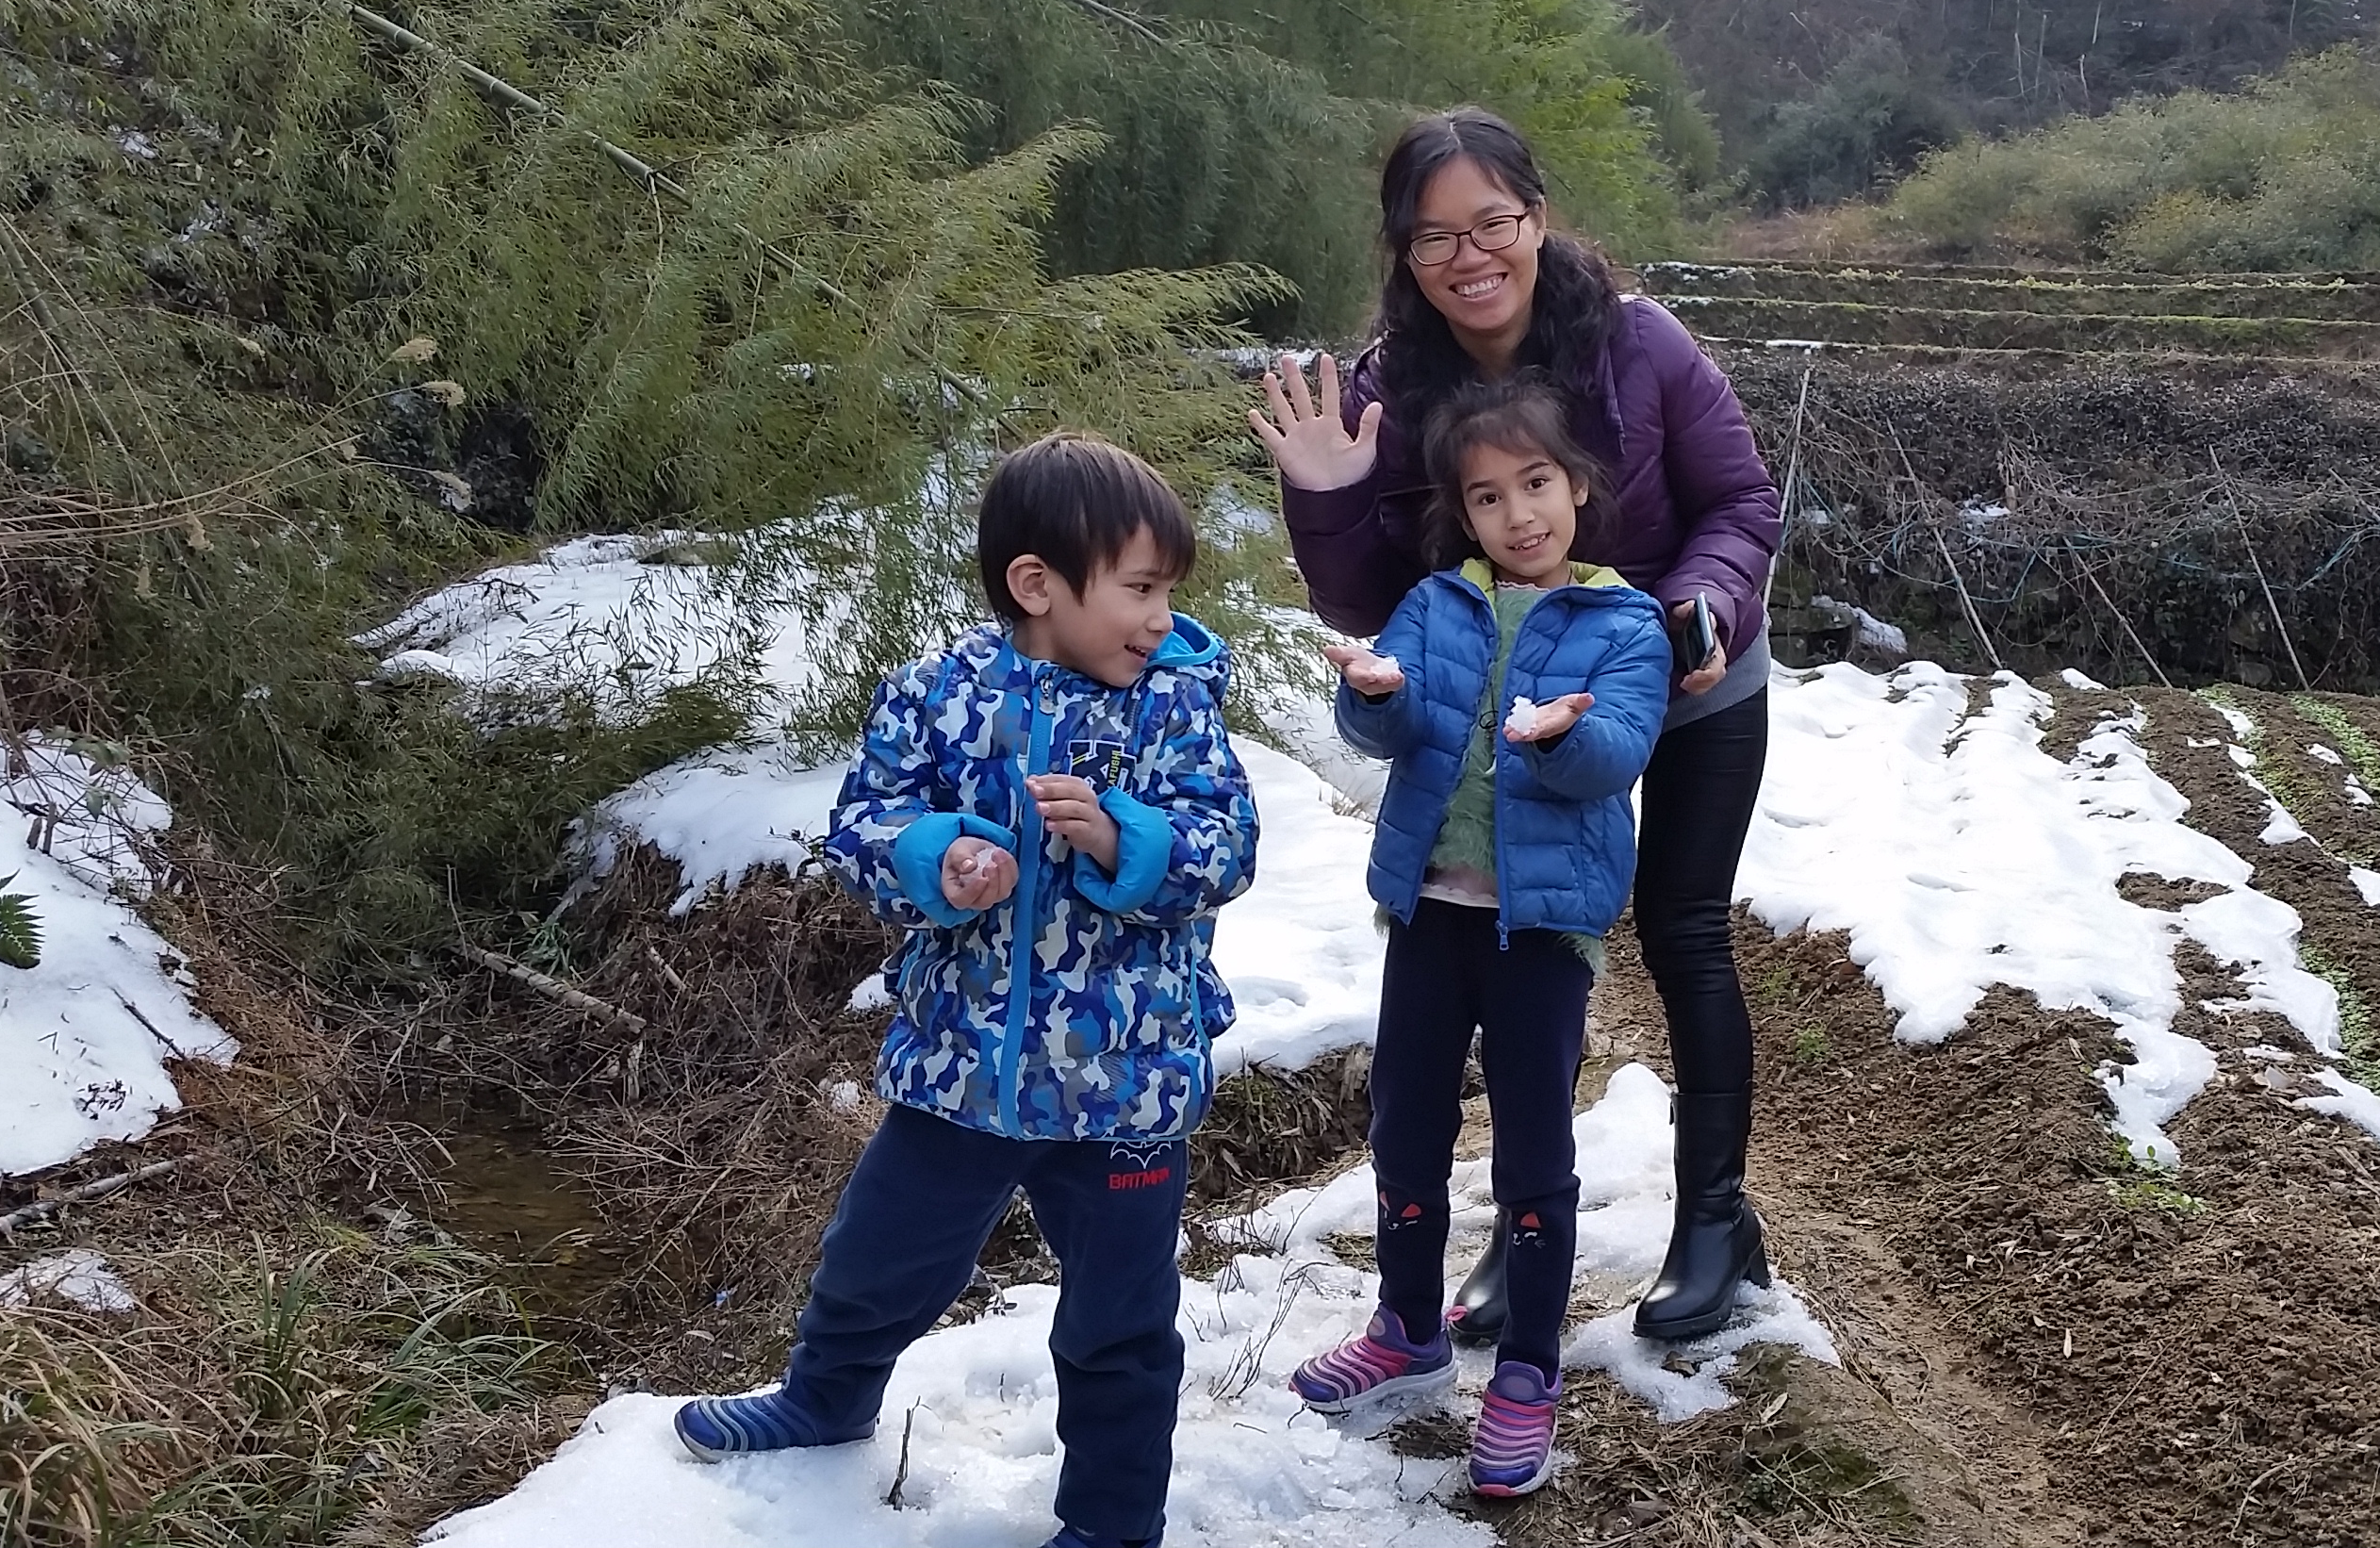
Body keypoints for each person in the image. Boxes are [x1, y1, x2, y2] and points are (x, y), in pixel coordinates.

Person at [1248, 107, 1783, 1346]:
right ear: (1403, 253)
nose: (1469, 253)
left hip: (1688, 669)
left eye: (1492, 220)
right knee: (1522, 938)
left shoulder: (1639, 344)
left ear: (1537, 218)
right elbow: (1376, 611)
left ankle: (1715, 1222)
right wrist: (1324, 499)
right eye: (1435, 234)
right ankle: (1519, 1234)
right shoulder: (1386, 390)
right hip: (1514, 703)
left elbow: (1741, 499)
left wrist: (1696, 611)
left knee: (1684, 925)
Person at [670, 435, 1260, 1548]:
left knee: (1121, 1323)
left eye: (1168, 590)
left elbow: (1224, 846)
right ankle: (824, 1401)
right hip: (961, 1063)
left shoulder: (1176, 707)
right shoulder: (938, 695)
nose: (1157, 617)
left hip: (1126, 1083)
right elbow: (862, 828)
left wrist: (1125, 837)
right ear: (1037, 585)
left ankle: (1113, 1520)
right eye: (1139, 589)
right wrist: (935, 861)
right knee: (876, 1257)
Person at [1284, 373, 1673, 1498]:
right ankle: (1406, 1325)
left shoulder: (1623, 622)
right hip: (1429, 917)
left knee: (1534, 1151)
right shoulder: (1433, 605)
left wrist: (1556, 739)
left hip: (1540, 933)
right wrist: (1370, 689)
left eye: (1537, 484)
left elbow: (1618, 754)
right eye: (1490, 496)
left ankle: (1526, 1373)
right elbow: (1391, 723)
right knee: (1404, 1124)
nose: (1519, 515)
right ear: (1466, 512)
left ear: (1580, 488)